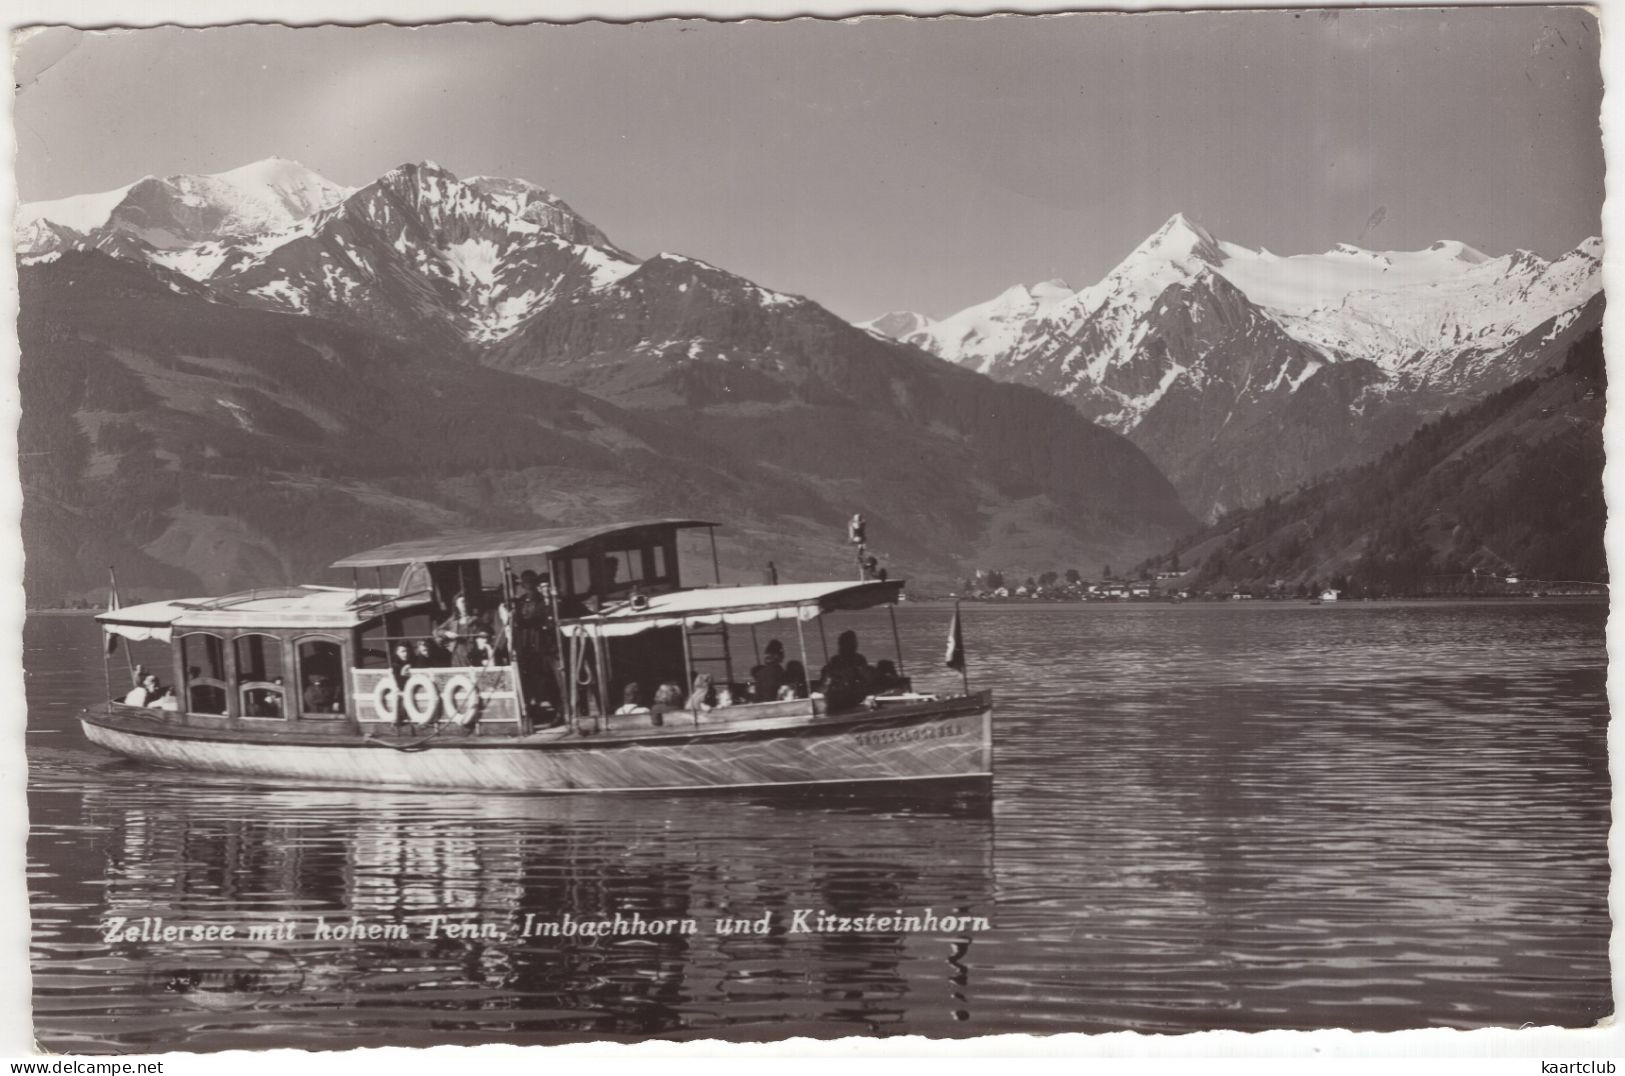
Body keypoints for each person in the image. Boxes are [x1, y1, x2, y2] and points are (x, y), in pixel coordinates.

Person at [820, 630, 873, 711]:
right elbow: (866, 678)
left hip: (843, 694)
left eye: (854, 642)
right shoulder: (838, 661)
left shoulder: (857, 659)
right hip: (843, 696)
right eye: (852, 643)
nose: (855, 645)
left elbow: (866, 678)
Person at [435, 593, 488, 667]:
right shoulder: (452, 620)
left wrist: (483, 634)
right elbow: (437, 631)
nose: (464, 604)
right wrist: (447, 633)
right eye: (462, 602)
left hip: (471, 655)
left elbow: (484, 630)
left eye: (465, 602)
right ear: (456, 605)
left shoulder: (475, 619)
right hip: (457, 656)